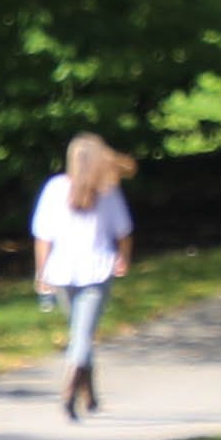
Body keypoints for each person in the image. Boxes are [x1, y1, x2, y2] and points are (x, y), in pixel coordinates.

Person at [29, 134, 139, 420]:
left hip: (62, 271)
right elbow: (124, 232)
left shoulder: (54, 188)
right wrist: (123, 257)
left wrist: (41, 272)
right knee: (82, 334)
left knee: (80, 333)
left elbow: (42, 236)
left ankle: (86, 391)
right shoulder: (108, 192)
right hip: (96, 271)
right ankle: (71, 390)